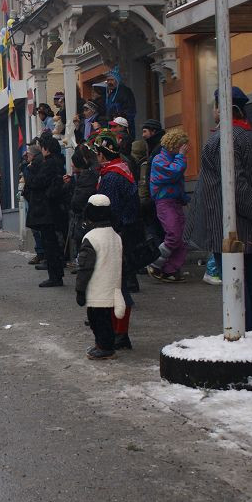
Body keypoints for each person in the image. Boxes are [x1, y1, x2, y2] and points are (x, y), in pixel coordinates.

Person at [186, 87, 252, 333]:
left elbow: (235, 185)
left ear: (224, 108)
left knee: (236, 283)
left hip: (228, 224)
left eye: (216, 106)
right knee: (251, 278)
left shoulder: (224, 139)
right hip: (245, 221)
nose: (214, 111)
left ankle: (244, 335)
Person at [94, 130, 141, 350]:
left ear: (103, 154)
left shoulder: (111, 177)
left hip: (116, 235)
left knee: (116, 287)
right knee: (117, 285)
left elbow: (107, 208)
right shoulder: (121, 170)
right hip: (124, 233)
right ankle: (118, 331)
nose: (96, 157)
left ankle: (119, 333)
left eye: (97, 153)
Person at [76, 194, 125, 360]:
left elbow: (85, 267)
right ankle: (102, 344)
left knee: (97, 320)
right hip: (112, 285)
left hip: (96, 287)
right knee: (105, 319)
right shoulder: (116, 236)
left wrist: (80, 289)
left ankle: (105, 347)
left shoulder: (91, 238)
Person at [147, 129, 191, 282]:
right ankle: (155, 263)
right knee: (173, 234)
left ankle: (171, 269)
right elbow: (173, 172)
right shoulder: (160, 160)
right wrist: (181, 156)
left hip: (175, 201)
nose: (184, 149)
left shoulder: (173, 158)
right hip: (165, 202)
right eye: (181, 146)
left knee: (182, 237)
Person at [24, 135, 67, 287]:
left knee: (50, 244)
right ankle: (56, 273)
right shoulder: (58, 162)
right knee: (52, 243)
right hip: (53, 209)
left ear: (46, 149)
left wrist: (28, 173)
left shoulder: (49, 164)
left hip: (47, 210)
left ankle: (54, 276)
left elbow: (37, 182)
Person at [64, 145, 100, 269]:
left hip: (85, 219)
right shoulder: (83, 176)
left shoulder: (87, 176)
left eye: (74, 163)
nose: (72, 165)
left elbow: (78, 201)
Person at [104, 68, 137, 136]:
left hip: (122, 126)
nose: (109, 82)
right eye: (108, 80)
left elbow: (130, 109)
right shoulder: (110, 94)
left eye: (112, 80)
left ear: (117, 80)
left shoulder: (125, 91)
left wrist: (121, 120)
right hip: (112, 125)